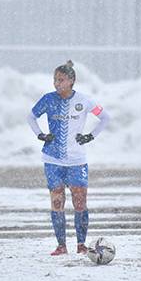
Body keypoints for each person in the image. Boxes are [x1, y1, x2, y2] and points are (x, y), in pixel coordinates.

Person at [27, 61, 110, 256]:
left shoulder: (84, 101)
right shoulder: (48, 99)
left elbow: (105, 117)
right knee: (57, 202)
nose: (57, 83)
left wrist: (90, 135)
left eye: (61, 80)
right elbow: (30, 117)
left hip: (76, 160)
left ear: (72, 81)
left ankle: (81, 245)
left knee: (80, 202)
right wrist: (40, 134)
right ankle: (61, 245)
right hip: (52, 159)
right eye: (55, 80)